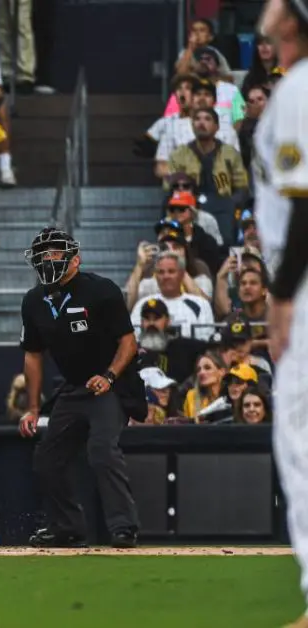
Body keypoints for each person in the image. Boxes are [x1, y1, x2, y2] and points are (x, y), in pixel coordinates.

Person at [18, 227, 142, 549]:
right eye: (44, 255)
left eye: (56, 254)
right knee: (47, 458)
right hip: (73, 388)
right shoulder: (33, 301)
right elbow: (33, 354)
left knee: (101, 449)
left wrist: (110, 376)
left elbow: (128, 343)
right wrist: (32, 407)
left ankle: (124, 526)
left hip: (108, 386)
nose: (49, 259)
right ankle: (67, 526)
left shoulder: (100, 290)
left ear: (76, 259)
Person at [253, 2, 308, 621]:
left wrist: (285, 295)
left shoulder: (298, 89)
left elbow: (302, 206)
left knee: (298, 443)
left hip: (306, 286)